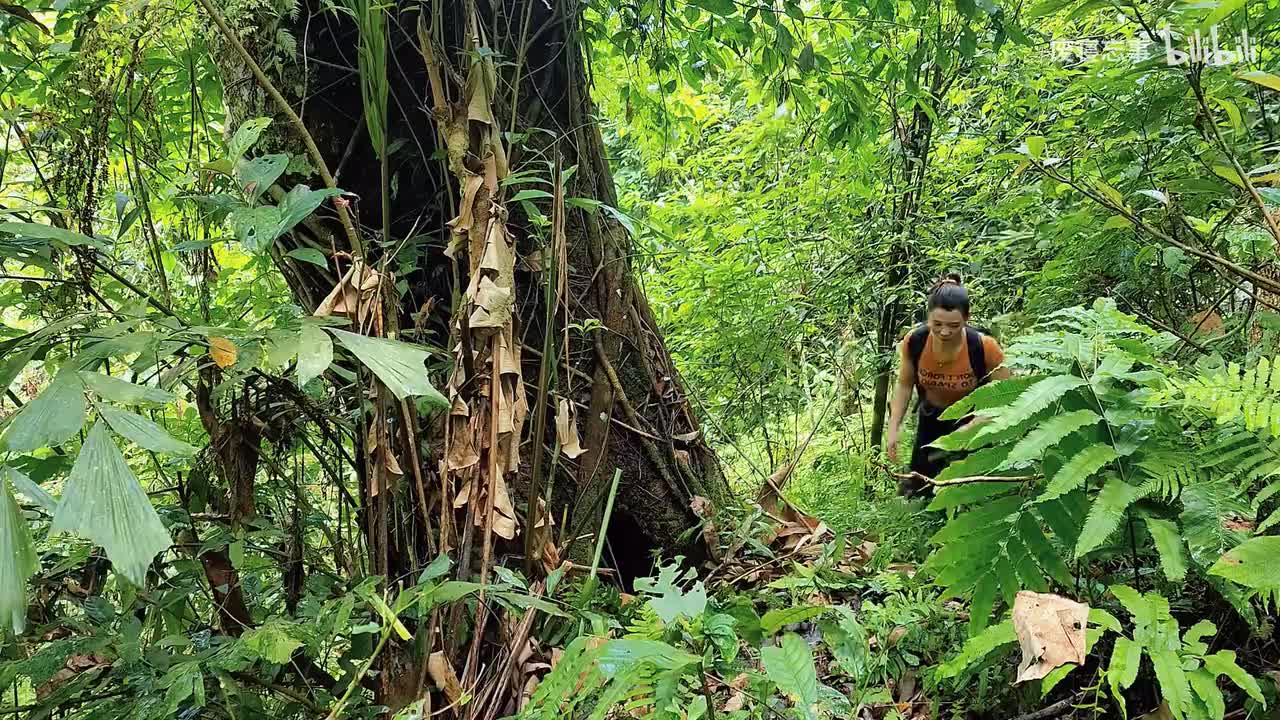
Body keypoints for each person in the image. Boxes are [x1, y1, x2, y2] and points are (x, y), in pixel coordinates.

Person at [885, 275, 1011, 497]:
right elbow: (904, 385)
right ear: (928, 318)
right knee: (918, 491)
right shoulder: (915, 341)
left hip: (973, 422)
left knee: (969, 492)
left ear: (966, 318)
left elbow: (1007, 397)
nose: (944, 332)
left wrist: (974, 426)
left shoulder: (984, 347)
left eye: (953, 325)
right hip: (931, 419)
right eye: (937, 324)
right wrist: (894, 427)